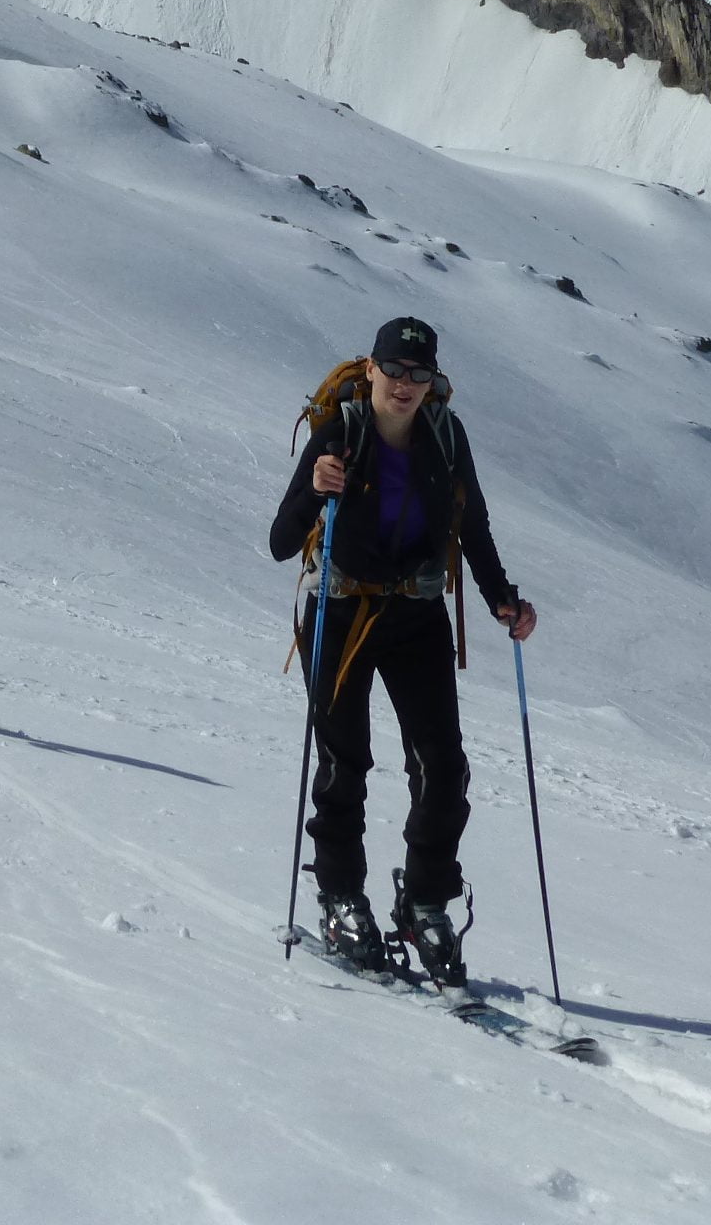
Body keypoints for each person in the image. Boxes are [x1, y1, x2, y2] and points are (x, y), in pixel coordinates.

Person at [269, 317, 536, 988]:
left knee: (443, 765)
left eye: (420, 374)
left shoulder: (446, 438)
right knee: (345, 761)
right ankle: (339, 896)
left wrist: (502, 596)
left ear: (434, 380)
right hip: (339, 606)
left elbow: (469, 523)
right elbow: (280, 539)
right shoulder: (341, 435)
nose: (406, 385)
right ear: (372, 369)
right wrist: (315, 489)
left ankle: (424, 901)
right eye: (395, 371)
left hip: (417, 612)